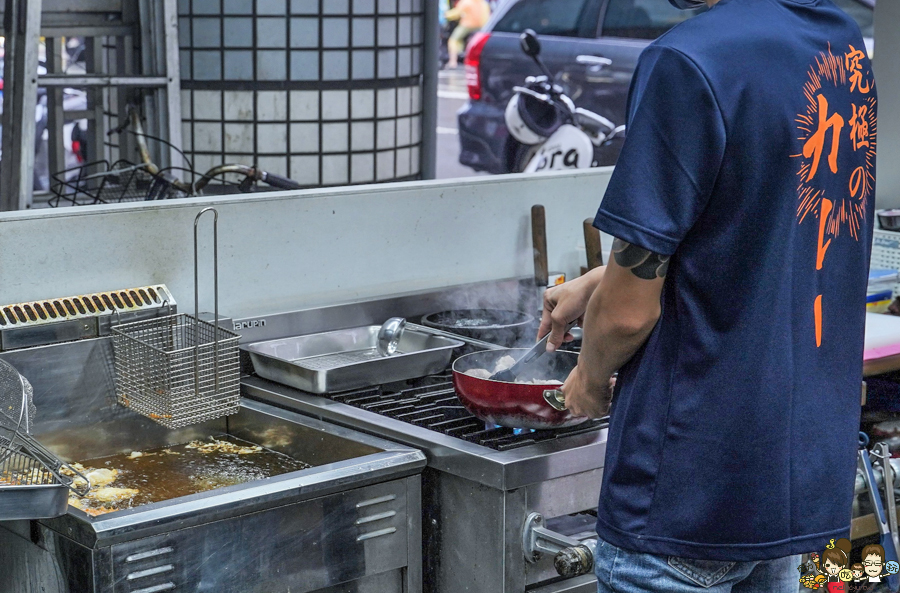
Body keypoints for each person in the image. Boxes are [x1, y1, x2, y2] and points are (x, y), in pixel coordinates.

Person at [538, 0, 877, 590]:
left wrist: (589, 376)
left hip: (688, 491)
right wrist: (598, 282)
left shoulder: (687, 58)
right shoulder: (839, 42)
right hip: (793, 481)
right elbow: (770, 232)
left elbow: (626, 316)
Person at [443, 0, 490, 68]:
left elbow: (456, 13)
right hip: (480, 26)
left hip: (467, 25)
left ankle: (453, 62)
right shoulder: (483, 3)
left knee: (453, 40)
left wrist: (445, 15)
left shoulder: (466, 2)